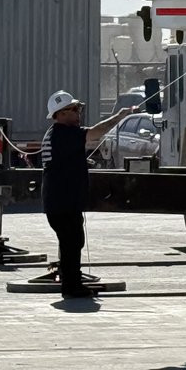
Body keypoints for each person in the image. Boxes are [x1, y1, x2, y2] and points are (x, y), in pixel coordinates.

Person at [41, 90, 138, 298]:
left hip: (62, 203)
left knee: (73, 242)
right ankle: (72, 287)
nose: (78, 113)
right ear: (61, 114)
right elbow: (95, 133)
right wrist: (119, 116)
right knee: (71, 243)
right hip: (62, 203)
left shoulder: (59, 133)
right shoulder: (62, 134)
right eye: (74, 109)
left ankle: (72, 284)